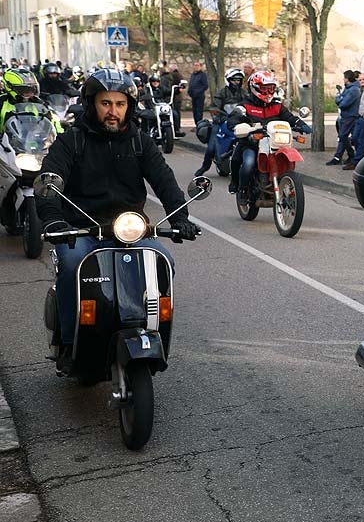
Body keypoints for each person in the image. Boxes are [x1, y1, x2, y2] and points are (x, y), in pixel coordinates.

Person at [36, 69, 200, 369]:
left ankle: (155, 332)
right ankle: (70, 344)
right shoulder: (72, 141)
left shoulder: (139, 142)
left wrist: (181, 216)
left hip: (130, 230)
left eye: (120, 104)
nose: (113, 111)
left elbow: (164, 181)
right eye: (105, 103)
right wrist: (53, 219)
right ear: (91, 104)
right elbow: (51, 179)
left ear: (129, 107)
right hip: (81, 229)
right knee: (73, 266)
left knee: (164, 262)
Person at [226, 70, 310, 200]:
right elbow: (233, 120)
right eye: (264, 89)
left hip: (274, 142)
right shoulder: (245, 106)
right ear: (255, 88)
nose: (268, 92)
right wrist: (239, 126)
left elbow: (289, 117)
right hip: (252, 142)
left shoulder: (277, 106)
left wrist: (301, 124)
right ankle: (241, 189)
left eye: (271, 89)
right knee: (248, 164)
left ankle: (286, 182)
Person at [194, 68, 245, 177]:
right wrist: (218, 117)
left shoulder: (244, 94)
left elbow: (249, 106)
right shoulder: (221, 92)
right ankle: (204, 167)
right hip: (222, 122)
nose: (236, 83)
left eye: (238, 80)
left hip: (239, 123)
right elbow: (214, 107)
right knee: (211, 147)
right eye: (234, 80)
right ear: (228, 80)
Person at [326, 70, 360, 166]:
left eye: (344, 78)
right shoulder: (348, 88)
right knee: (345, 137)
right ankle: (340, 157)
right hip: (346, 116)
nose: (343, 79)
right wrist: (340, 98)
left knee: (344, 136)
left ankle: (353, 155)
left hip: (350, 116)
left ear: (347, 79)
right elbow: (340, 100)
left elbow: (343, 104)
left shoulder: (353, 90)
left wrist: (339, 98)